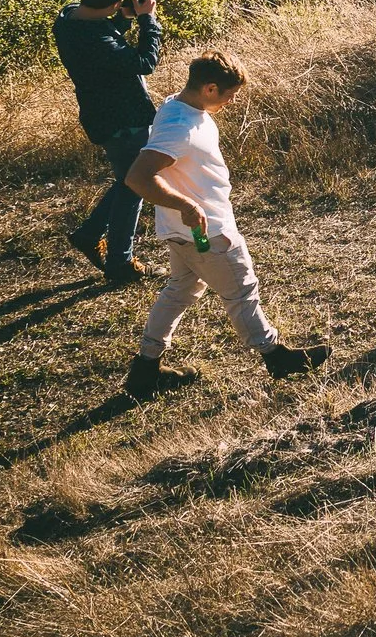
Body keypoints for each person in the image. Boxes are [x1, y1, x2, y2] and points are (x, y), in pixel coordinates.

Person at [121, 53, 330, 403]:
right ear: (210, 87)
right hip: (207, 231)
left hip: (181, 232)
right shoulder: (180, 126)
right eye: (228, 94)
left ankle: (145, 370)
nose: (231, 101)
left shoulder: (176, 105)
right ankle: (276, 357)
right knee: (242, 290)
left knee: (179, 292)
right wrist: (187, 204)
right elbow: (138, 177)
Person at [53, 0, 164, 283]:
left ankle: (89, 235)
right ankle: (120, 262)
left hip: (100, 115)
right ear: (114, 3)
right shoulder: (96, 37)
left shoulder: (69, 19)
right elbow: (144, 62)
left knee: (128, 181)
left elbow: (102, 39)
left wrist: (124, 17)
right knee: (135, 185)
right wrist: (147, 20)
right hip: (123, 120)